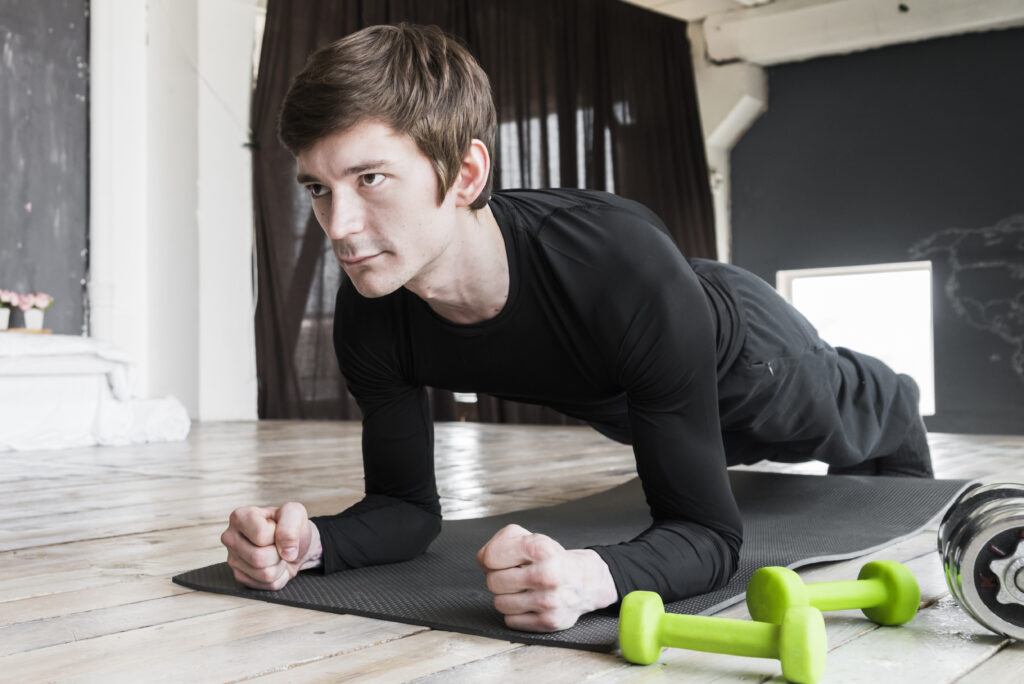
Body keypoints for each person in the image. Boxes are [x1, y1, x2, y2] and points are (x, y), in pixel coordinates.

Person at [220, 23, 933, 633]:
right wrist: (310, 543)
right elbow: (405, 510)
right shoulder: (373, 308)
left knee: (845, 419)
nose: (338, 228)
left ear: (465, 174)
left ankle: (891, 395)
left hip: (748, 358)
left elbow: (711, 538)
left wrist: (595, 579)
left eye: (370, 179)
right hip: (628, 392)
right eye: (318, 188)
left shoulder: (613, 260)